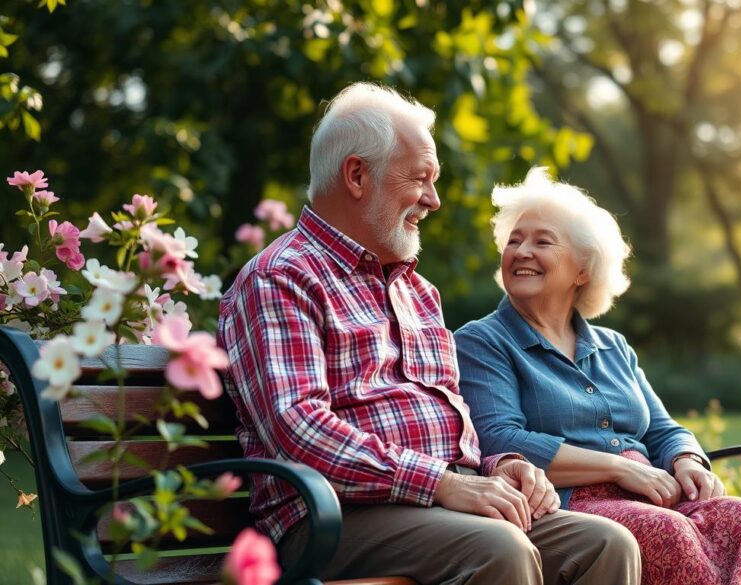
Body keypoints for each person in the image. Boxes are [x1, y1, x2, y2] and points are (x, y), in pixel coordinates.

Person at [218, 84, 641, 585]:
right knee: (499, 550)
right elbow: (300, 428)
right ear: (357, 175)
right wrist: (439, 483)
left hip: (441, 501)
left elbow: (452, 419)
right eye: (420, 178)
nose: (433, 200)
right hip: (333, 515)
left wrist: (500, 465)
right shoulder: (281, 277)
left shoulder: (417, 291)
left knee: (605, 544)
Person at [454, 168, 741, 585]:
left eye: (542, 241)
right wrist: (619, 469)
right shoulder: (482, 341)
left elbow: (662, 429)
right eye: (514, 240)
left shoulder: (613, 346)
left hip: (653, 492)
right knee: (669, 532)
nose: (522, 251)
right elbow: (501, 440)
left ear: (582, 271)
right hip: (569, 505)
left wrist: (686, 459)